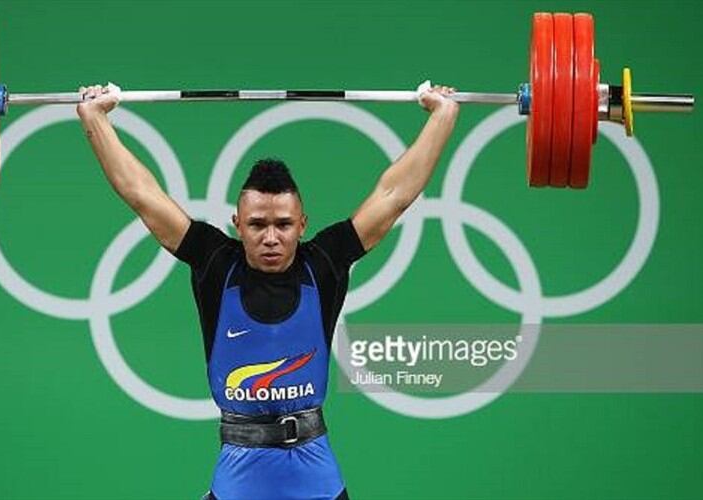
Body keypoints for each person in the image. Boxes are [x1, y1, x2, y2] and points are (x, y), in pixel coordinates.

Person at [77, 83, 459, 500]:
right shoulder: (215, 263)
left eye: (283, 224)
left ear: (302, 224)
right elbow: (142, 195)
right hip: (239, 475)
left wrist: (443, 117)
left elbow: (394, 195)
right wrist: (95, 119)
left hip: (316, 476)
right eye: (258, 224)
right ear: (237, 224)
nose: (271, 237)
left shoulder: (323, 264)